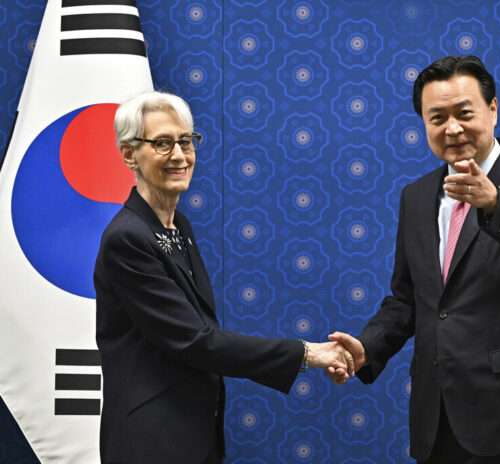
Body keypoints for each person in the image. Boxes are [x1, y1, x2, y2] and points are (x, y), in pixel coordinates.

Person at [327, 55, 500, 463]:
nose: (453, 128)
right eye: (437, 118)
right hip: (438, 418)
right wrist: (367, 347)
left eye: (464, 113)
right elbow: (409, 298)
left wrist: (496, 203)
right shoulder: (417, 195)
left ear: (493, 109)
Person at [94, 91, 353, 464]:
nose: (180, 156)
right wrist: (309, 353)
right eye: (163, 143)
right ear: (129, 154)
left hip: (191, 433)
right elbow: (196, 341)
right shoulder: (127, 239)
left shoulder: (177, 225)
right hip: (150, 440)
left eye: (186, 141)